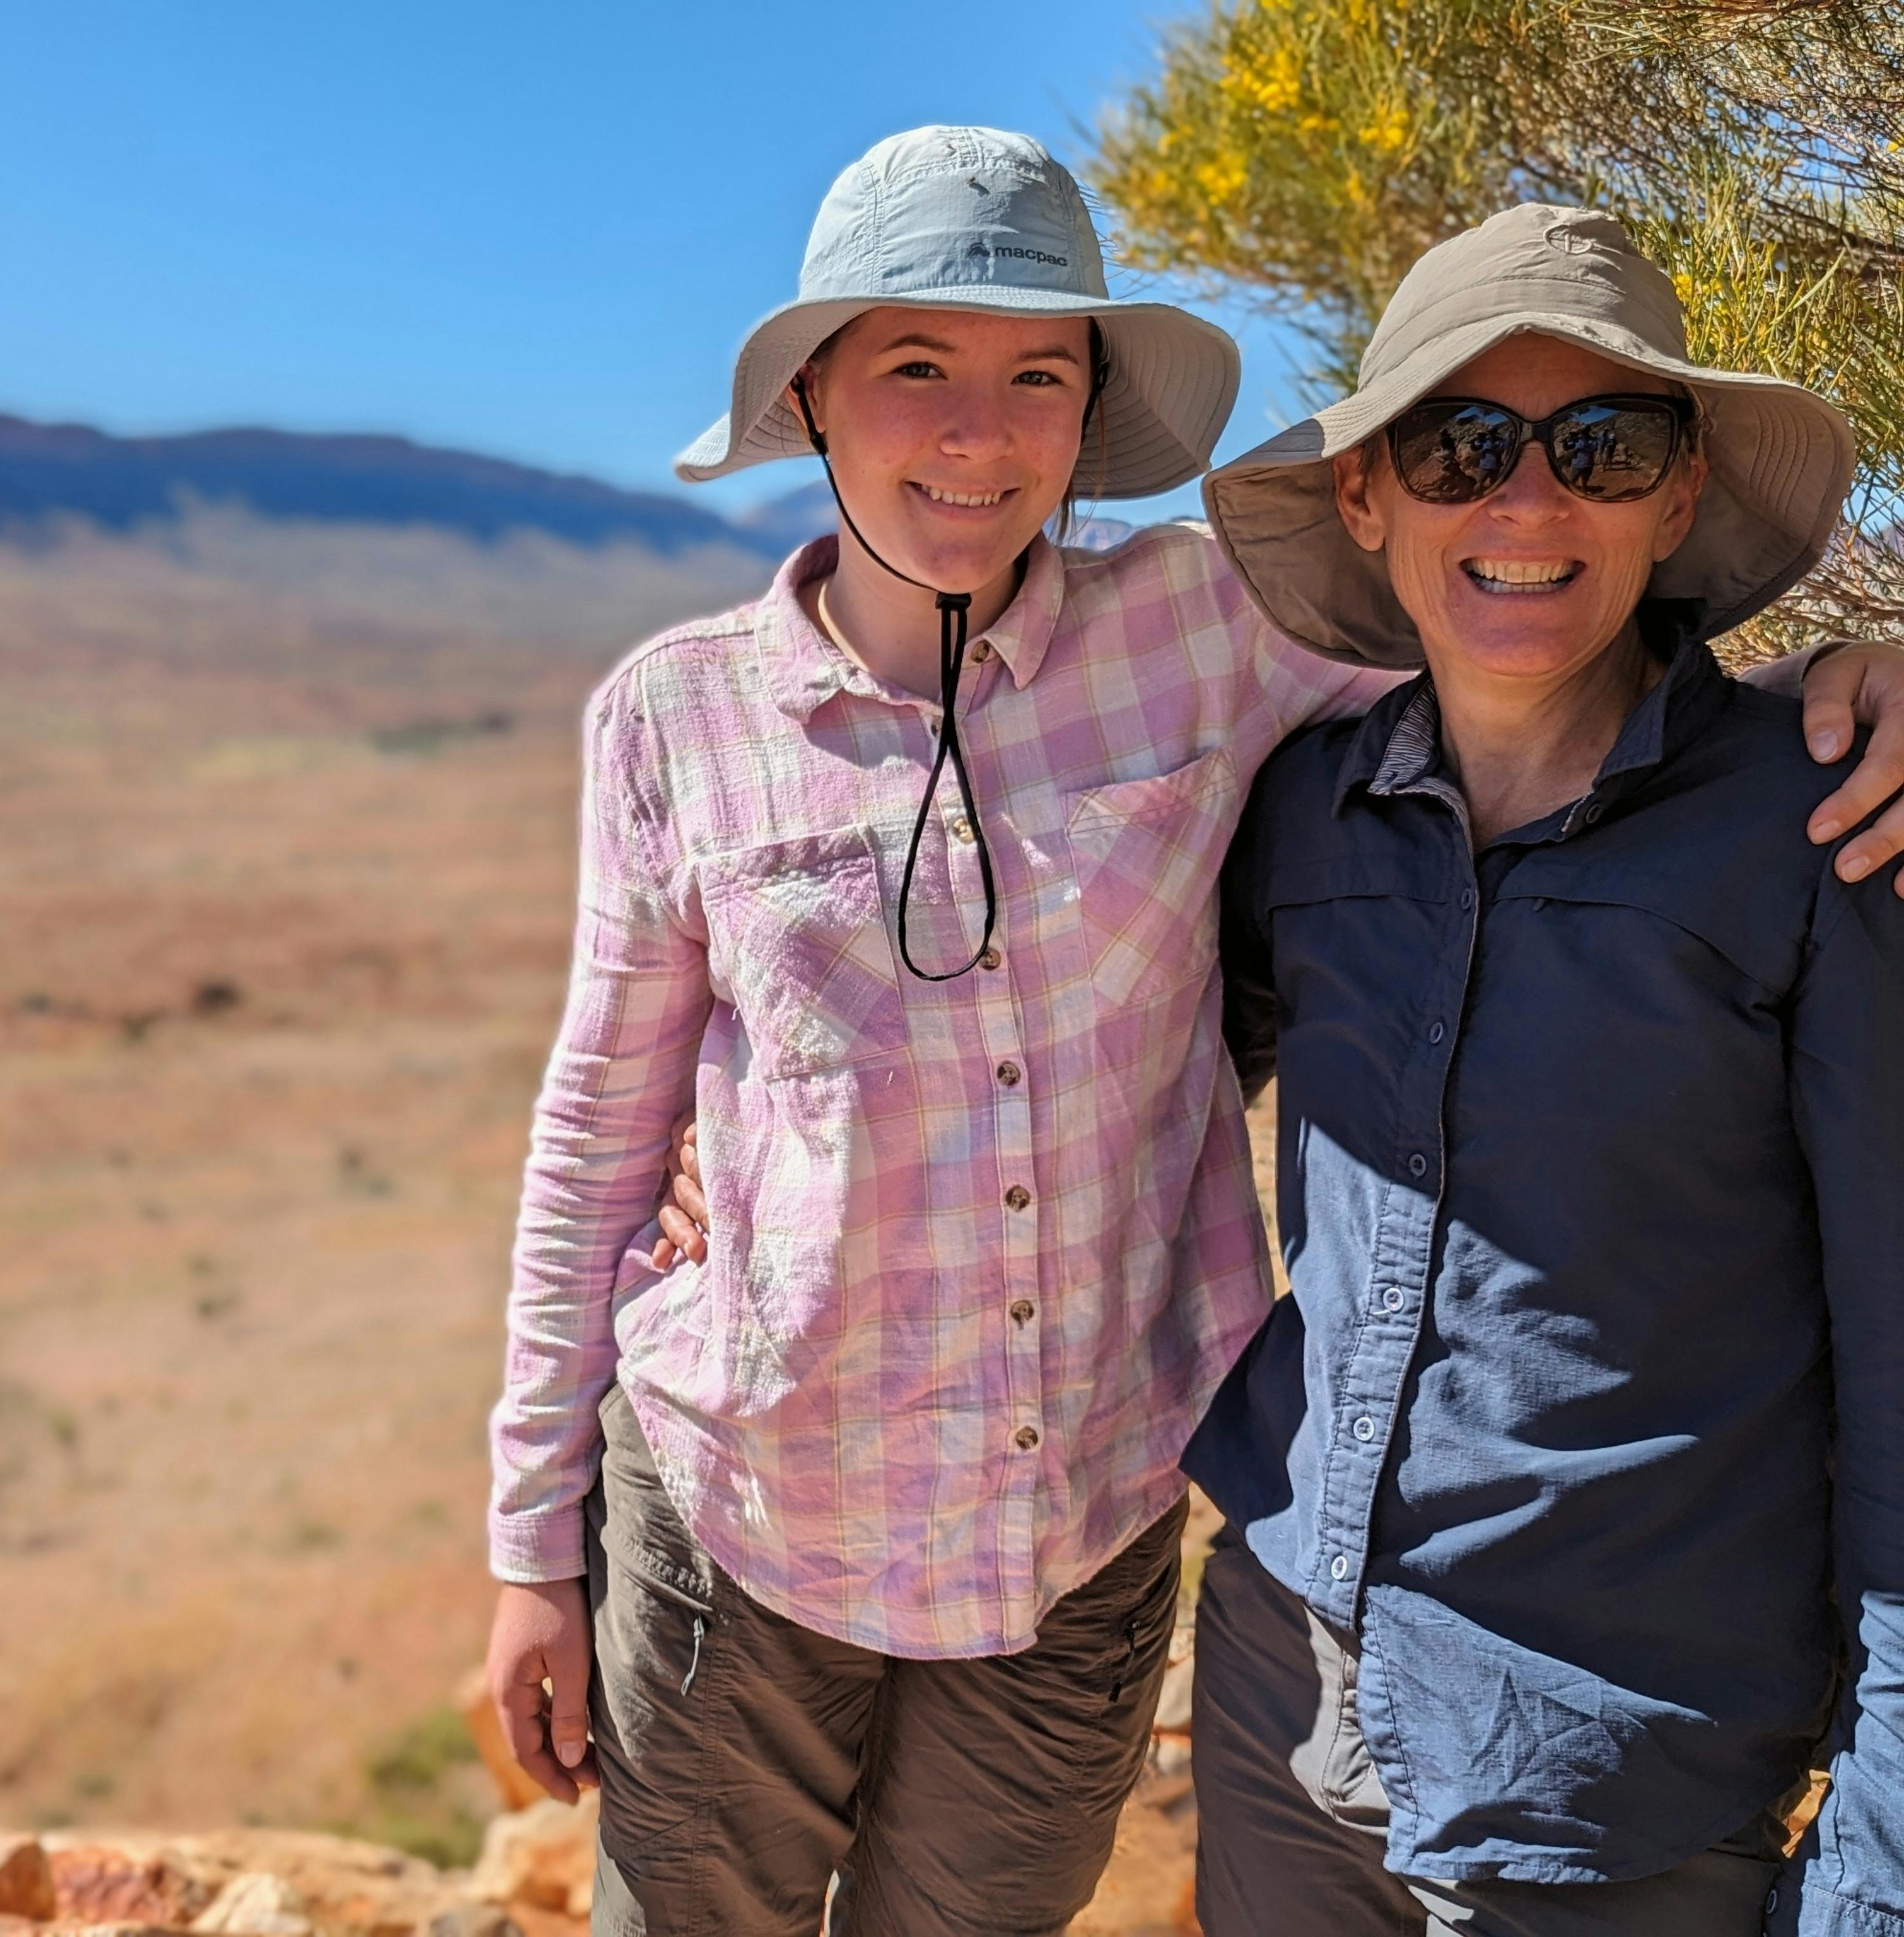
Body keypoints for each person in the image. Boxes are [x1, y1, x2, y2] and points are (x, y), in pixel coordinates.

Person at [486, 129, 1904, 1937]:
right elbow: (594, 1136)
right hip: (742, 1518)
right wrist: (532, 1544)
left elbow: (1541, 637)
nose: (977, 435)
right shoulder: (671, 720)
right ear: (816, 400)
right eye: (914, 368)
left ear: (1092, 418)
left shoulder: (1213, 633)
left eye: (1036, 377)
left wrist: (1833, 692)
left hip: (1077, 1534)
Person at [1183, 204, 1904, 1937]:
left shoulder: (1818, 839)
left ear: (1677, 496)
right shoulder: (1304, 812)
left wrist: (1879, 1858)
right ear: (1367, 496)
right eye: (1457, 446)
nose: (1526, 504)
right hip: (1284, 1681)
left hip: (1606, 1773)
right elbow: (1103, 1070)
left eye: (1601, 446)